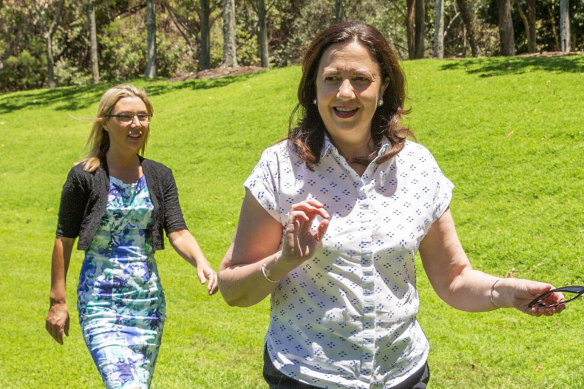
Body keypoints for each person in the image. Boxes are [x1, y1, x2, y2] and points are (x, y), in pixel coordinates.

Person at [217, 22, 565, 389]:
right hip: (307, 375)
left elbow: (455, 278)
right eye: (332, 78)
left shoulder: (417, 166)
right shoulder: (280, 167)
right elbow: (232, 289)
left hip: (403, 375)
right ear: (313, 87)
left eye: (361, 79)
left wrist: (506, 292)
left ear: (383, 87)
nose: (345, 92)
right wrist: (283, 261)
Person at [45, 84, 218, 389]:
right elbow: (65, 238)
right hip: (100, 300)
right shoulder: (84, 176)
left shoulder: (159, 175)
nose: (136, 124)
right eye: (126, 117)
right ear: (105, 121)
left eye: (143, 116)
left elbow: (177, 230)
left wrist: (200, 261)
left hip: (147, 302)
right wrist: (58, 301)